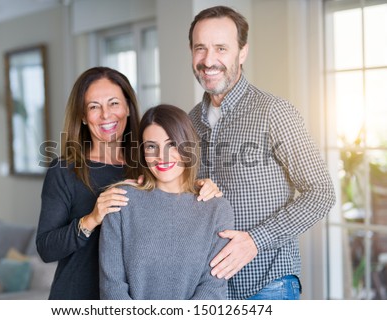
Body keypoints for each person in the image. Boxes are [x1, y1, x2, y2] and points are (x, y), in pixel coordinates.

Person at [188, 6, 336, 300]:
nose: (208, 60)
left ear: (242, 52)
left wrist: (255, 241)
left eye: (221, 48)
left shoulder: (274, 112)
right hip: (209, 292)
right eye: (200, 48)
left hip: (268, 287)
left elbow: (321, 193)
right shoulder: (189, 122)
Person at [36, 67, 221, 299]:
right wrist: (91, 219)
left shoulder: (148, 162)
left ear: (127, 108)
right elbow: (46, 248)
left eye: (114, 103)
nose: (106, 115)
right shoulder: (64, 170)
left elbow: (175, 207)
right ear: (83, 116)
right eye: (94, 106)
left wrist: (199, 188)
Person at [99, 104, 234, 300]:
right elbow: (112, 287)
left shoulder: (216, 209)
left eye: (171, 144)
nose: (162, 156)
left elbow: (212, 288)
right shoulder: (121, 201)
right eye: (151, 146)